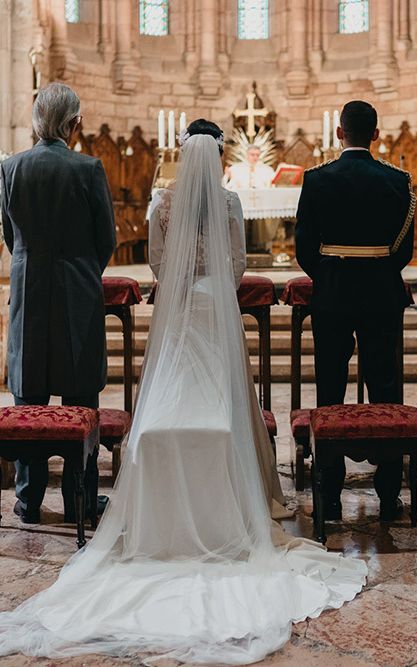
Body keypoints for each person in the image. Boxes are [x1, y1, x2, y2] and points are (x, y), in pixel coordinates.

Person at [0, 121, 366, 665]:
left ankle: (152, 519)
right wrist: (214, 284)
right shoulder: (229, 203)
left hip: (176, 315)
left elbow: (155, 263)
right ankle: (232, 507)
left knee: (165, 403)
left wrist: (180, 285)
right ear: (218, 155)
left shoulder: (161, 206)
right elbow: (239, 264)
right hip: (216, 309)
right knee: (226, 404)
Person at [0, 83, 115, 525]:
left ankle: (28, 501)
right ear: (73, 124)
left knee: (27, 394)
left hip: (28, 289)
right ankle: (80, 499)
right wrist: (80, 268)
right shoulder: (88, 168)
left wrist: (33, 261)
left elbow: (11, 236)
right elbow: (106, 239)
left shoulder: (12, 168)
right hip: (78, 289)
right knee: (81, 394)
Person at [295, 100, 415, 522]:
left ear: (339, 134)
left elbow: (304, 248)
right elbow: (405, 250)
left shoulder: (317, 178)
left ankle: (328, 492)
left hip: (333, 291)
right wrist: (378, 270)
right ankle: (387, 494)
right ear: (376, 135)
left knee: (330, 389)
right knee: (385, 388)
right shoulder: (398, 181)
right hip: (382, 291)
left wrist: (329, 274)